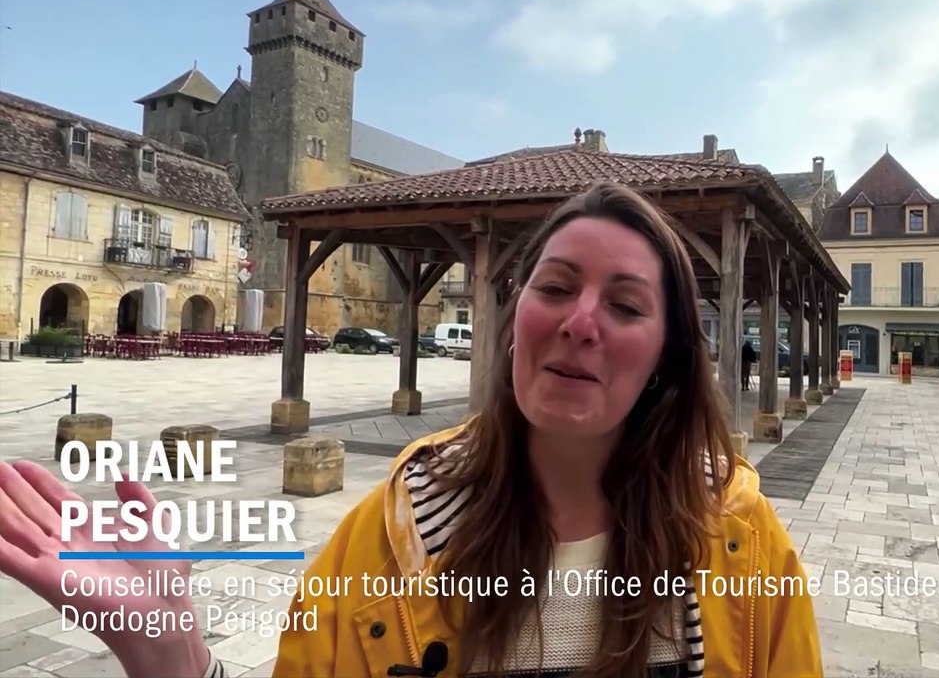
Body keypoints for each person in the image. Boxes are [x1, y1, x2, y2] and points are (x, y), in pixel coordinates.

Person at [0, 182, 822, 678]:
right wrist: (173, 657)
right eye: (556, 287)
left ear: (670, 357)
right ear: (510, 318)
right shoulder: (390, 538)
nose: (580, 321)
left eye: (626, 304)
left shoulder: (741, 542)